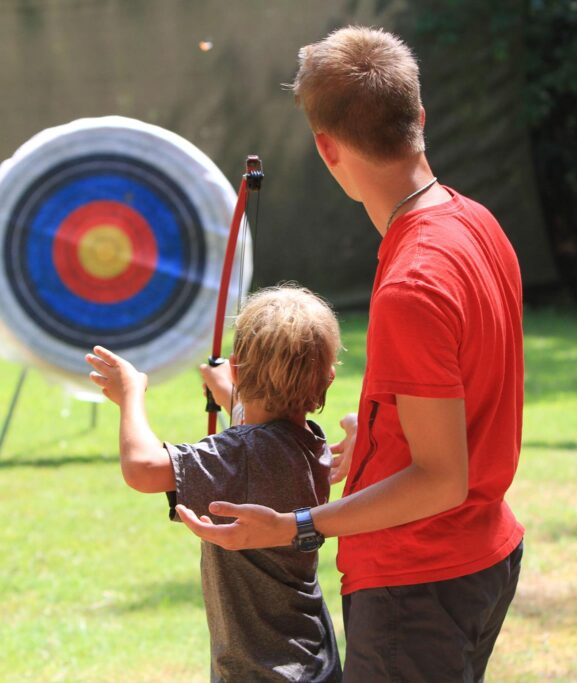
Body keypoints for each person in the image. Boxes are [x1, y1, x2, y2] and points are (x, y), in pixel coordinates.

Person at [182, 26, 525, 683]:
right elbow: (464, 403)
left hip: (419, 580)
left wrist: (296, 524)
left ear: (325, 147)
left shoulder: (413, 280)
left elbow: (439, 477)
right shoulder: (474, 221)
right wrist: (372, 438)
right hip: (477, 557)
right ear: (418, 117)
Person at [85, 285, 344, 683]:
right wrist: (230, 391)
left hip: (260, 672)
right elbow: (266, 427)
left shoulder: (239, 452)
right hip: (314, 660)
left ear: (238, 368)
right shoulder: (311, 444)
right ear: (326, 381)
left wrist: (131, 395)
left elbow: (142, 466)